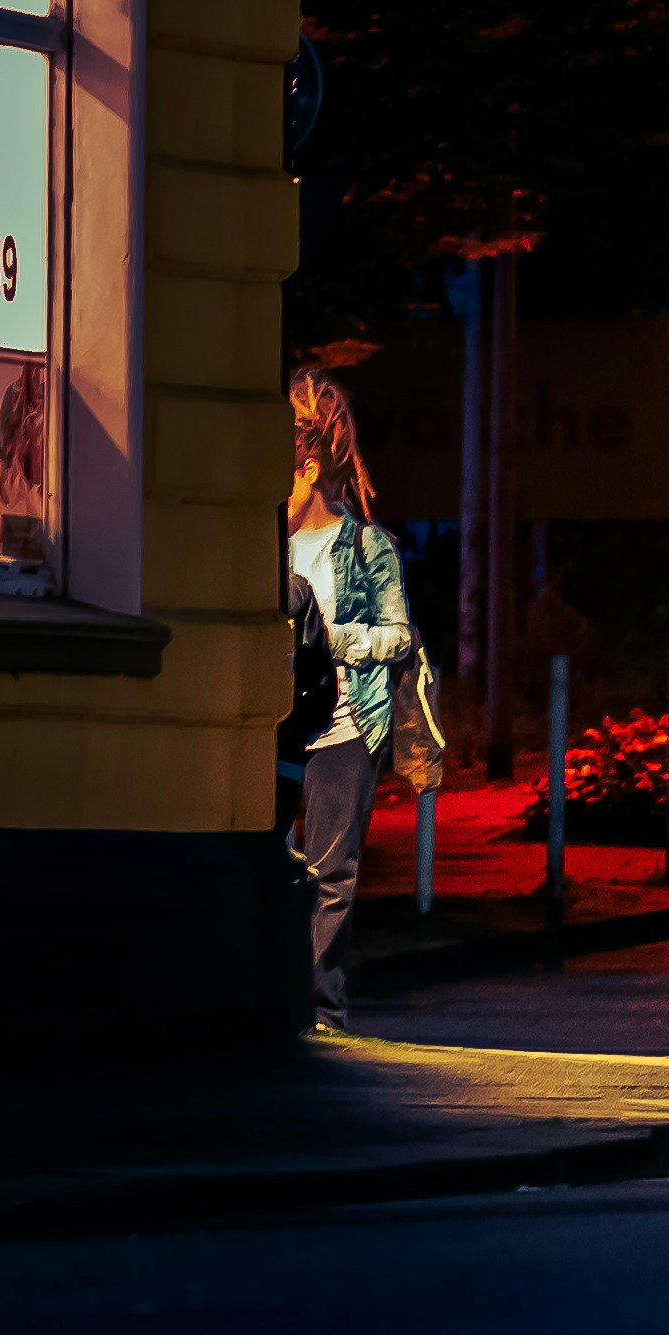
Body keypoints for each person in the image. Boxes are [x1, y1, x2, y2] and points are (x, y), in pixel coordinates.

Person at [286, 367, 418, 1037]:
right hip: (278, 731)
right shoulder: (265, 548)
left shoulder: (368, 548)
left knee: (330, 874)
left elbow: (399, 636)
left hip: (346, 728)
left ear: (306, 469)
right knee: (273, 870)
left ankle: (323, 1014)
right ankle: (274, 1002)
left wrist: (334, 638)